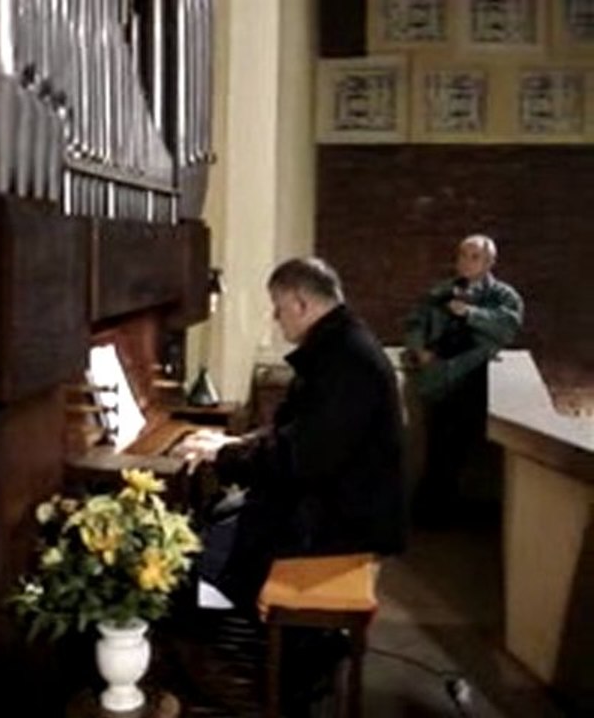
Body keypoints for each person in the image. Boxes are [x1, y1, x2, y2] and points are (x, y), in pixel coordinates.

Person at [193, 257, 407, 612]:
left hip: (344, 522)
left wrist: (225, 455)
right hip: (338, 504)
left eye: (278, 308)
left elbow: (300, 457)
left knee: (212, 544)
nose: (276, 318)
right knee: (224, 517)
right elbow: (298, 431)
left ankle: (242, 634)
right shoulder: (340, 345)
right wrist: (239, 444)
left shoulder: (347, 360)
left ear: (300, 304)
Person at [402, 234, 523, 526]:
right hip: (440, 379)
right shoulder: (441, 292)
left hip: (474, 380)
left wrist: (471, 313)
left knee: (465, 449)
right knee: (437, 446)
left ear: (489, 262)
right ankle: (431, 512)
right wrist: (418, 349)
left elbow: (507, 326)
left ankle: (450, 508)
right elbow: (415, 321)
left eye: (474, 257)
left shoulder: (502, 296)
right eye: (462, 256)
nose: (466, 262)